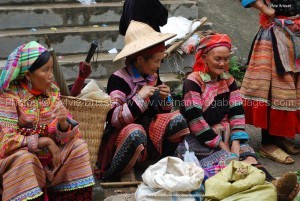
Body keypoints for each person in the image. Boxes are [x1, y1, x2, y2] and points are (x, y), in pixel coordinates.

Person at [178, 33, 299, 201]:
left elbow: (236, 112)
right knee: (229, 163)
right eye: (218, 59)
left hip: (225, 134)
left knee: (247, 157)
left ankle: (273, 184)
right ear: (204, 57)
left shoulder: (228, 80)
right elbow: (195, 120)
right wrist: (223, 146)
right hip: (198, 138)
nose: (223, 64)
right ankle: (264, 189)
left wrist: (235, 142)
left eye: (226, 59)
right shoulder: (193, 81)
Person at [0, 41, 95, 201]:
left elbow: (71, 134)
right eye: (45, 70)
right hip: (22, 160)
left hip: (52, 161)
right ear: (28, 74)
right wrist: (42, 141)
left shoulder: (52, 92)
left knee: (79, 147)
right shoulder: (10, 97)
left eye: (51, 69)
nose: (51, 75)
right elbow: (6, 141)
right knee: (26, 160)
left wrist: (63, 123)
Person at [97, 21, 190, 180]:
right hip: (124, 137)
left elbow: (162, 112)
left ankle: (159, 164)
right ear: (140, 59)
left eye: (161, 60)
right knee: (135, 133)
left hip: (149, 133)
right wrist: (140, 97)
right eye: (156, 61)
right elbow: (113, 119)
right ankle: (110, 174)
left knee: (178, 119)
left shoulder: (152, 76)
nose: (158, 65)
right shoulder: (118, 79)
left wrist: (165, 98)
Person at [239, 0, 300, 164]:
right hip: (274, 34)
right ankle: (267, 143)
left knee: (290, 88)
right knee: (273, 87)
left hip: (294, 32)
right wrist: (263, 7)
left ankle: (279, 137)